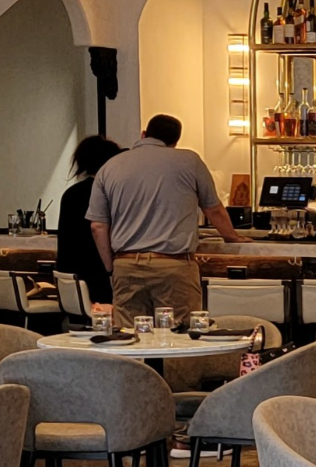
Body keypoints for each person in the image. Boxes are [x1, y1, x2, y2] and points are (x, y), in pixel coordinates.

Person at [86, 114, 239, 319]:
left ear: (143, 134)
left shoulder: (109, 167)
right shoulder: (189, 161)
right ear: (175, 142)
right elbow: (213, 210)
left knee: (130, 334)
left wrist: (111, 267)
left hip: (126, 265)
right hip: (173, 265)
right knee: (179, 332)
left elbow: (97, 226)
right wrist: (232, 237)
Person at [54, 134, 122, 306]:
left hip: (72, 278)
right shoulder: (110, 193)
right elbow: (100, 230)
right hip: (101, 277)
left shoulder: (71, 194)